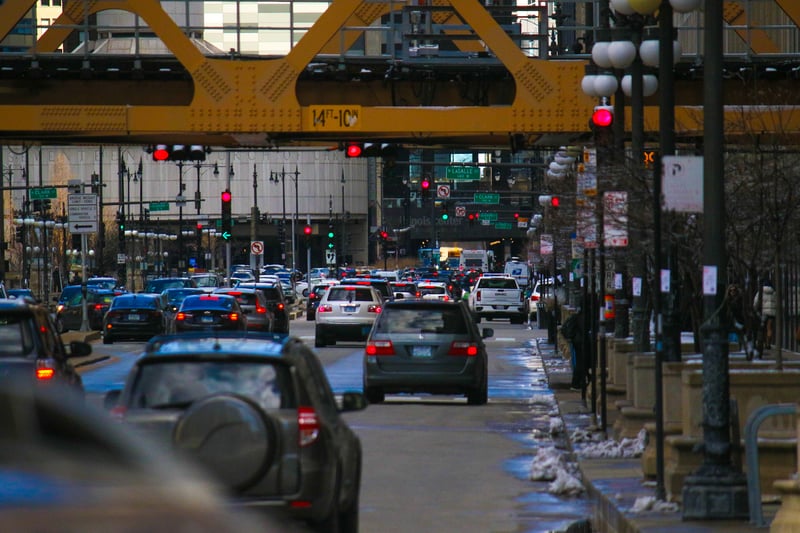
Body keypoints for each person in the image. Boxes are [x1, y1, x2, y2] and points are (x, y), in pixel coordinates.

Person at [560, 308, 587, 392]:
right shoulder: (582, 317)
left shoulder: (577, 316)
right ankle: (577, 383)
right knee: (581, 363)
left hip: (577, 342)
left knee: (580, 362)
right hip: (581, 342)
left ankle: (578, 383)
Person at [753, 279, 777, 351]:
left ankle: (761, 343)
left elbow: (756, 302)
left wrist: (755, 309)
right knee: (769, 328)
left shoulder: (760, 292)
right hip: (772, 313)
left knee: (762, 328)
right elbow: (777, 303)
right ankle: (768, 344)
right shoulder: (774, 293)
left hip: (763, 312)